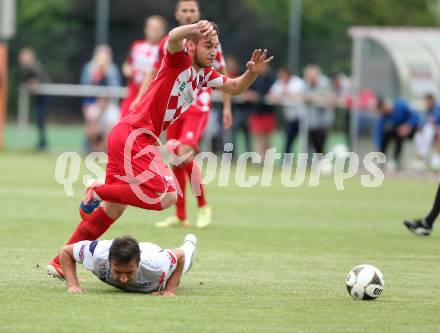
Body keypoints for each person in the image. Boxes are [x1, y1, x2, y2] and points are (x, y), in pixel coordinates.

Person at [47, 20, 273, 279]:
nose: (213, 52)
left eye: (215, 47)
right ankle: (96, 190)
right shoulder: (179, 61)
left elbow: (235, 87)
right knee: (167, 196)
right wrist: (193, 28)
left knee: (114, 209)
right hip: (134, 136)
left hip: (133, 136)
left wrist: (252, 73)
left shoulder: (204, 74)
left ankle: (58, 261)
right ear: (191, 46)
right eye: (207, 46)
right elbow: (174, 37)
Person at [138, 0, 233, 229]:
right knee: (174, 157)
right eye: (185, 10)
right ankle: (181, 216)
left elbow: (223, 73)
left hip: (197, 106)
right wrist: (140, 100)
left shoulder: (209, 41)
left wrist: (227, 106)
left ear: (199, 13)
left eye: (193, 10)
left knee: (182, 153)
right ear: (177, 14)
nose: (189, 14)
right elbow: (154, 71)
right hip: (174, 109)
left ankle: (203, 204)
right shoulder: (169, 42)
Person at [54, 234, 197, 295]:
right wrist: (73, 285)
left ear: (138, 262)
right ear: (108, 261)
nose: (123, 279)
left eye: (129, 272)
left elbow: (180, 256)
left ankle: (190, 241)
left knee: (188, 254)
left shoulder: (157, 264)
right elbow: (65, 252)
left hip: (152, 251)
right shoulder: (96, 254)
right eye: (117, 271)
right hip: (130, 248)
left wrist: (170, 290)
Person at [119, 15, 167, 117]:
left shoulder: (164, 49)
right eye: (151, 27)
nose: (154, 31)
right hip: (133, 91)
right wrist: (127, 70)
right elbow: (127, 63)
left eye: (157, 28)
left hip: (152, 94)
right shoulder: (136, 45)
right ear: (146, 29)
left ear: (163, 31)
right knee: (123, 121)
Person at [267, 67, 306, 155]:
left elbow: (301, 96)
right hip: (289, 116)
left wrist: (286, 94)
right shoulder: (279, 82)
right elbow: (272, 95)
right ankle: (287, 159)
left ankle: (305, 160)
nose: (280, 76)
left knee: (304, 139)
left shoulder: (298, 82)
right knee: (288, 139)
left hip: (301, 116)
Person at [18, 47, 51, 150]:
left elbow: (36, 83)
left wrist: (31, 84)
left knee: (40, 119)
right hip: (39, 97)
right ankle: (42, 143)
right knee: (39, 120)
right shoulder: (27, 68)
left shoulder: (34, 67)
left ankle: (42, 144)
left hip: (44, 96)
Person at [375, 98, 419, 167]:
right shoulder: (383, 117)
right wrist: (379, 147)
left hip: (411, 130)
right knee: (387, 132)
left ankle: (395, 160)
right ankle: (382, 160)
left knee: (400, 133)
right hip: (397, 132)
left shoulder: (401, 105)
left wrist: (408, 125)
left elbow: (416, 116)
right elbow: (379, 133)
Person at [245, 65, 277, 160]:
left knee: (268, 138)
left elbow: (271, 93)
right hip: (256, 112)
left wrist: (258, 96)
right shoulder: (253, 78)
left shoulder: (272, 79)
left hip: (268, 112)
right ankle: (260, 159)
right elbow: (246, 90)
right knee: (258, 137)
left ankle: (268, 159)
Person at [303, 65, 333, 155]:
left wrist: (313, 98)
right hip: (310, 121)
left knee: (320, 144)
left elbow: (329, 99)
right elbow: (302, 96)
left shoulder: (325, 83)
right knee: (309, 144)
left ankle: (321, 162)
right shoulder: (306, 84)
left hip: (323, 121)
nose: (310, 79)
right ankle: (309, 164)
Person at [414, 94, 440, 169]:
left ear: (433, 100)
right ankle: (421, 158)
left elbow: (435, 120)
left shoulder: (438, 109)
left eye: (429, 101)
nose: (427, 103)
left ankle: (423, 156)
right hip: (427, 130)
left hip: (436, 130)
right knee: (418, 135)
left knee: (429, 131)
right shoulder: (426, 111)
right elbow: (422, 122)